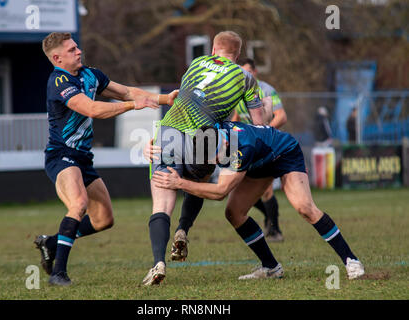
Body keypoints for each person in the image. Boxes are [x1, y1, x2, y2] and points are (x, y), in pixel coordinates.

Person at [33, 32, 178, 286]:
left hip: (83, 158)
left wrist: (165, 99)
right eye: (71, 50)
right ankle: (58, 274)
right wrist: (134, 106)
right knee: (78, 204)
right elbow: (93, 109)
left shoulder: (90, 74)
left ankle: (52, 242)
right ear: (57, 58)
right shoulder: (58, 82)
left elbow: (125, 92)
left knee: (104, 220)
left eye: (77, 47)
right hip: (61, 156)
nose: (78, 51)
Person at [151, 122, 365, 280]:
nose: (216, 162)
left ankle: (351, 261)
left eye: (217, 157)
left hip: (283, 153)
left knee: (304, 208)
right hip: (258, 163)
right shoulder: (207, 134)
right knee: (234, 213)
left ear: (224, 143)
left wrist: (180, 183)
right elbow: (170, 127)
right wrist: (149, 145)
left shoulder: (241, 149)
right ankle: (271, 267)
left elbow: (220, 192)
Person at [143, 30, 273, 286]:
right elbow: (259, 125)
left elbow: (185, 96)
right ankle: (184, 229)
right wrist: (266, 108)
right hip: (205, 135)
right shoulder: (245, 77)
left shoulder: (196, 63)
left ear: (213, 49)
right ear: (236, 55)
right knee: (198, 180)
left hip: (169, 129)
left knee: (161, 203)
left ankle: (158, 262)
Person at [231, 57, 287, 242]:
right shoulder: (239, 92)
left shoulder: (266, 90)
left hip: (266, 144)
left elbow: (281, 117)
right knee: (239, 188)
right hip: (248, 146)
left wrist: (262, 132)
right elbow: (237, 118)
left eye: (247, 72)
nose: (244, 76)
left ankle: (275, 230)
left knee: (267, 190)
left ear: (255, 72)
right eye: (240, 72)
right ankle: (269, 219)